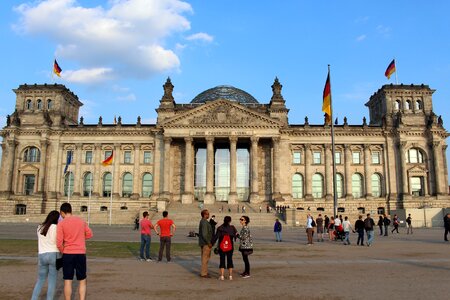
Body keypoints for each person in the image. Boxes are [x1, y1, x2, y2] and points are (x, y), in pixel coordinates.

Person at [57, 202, 93, 300]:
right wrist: (80, 238)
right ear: (71, 211)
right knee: (82, 280)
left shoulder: (61, 223)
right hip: (80, 253)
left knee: (67, 280)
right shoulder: (81, 221)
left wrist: (63, 250)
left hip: (68, 253)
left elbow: (59, 242)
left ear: (62, 212)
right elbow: (90, 234)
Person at [31, 210, 61, 300]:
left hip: (42, 254)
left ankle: (34, 298)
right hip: (53, 254)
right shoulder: (56, 228)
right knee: (52, 281)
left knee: (40, 280)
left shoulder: (39, 227)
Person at [211, 216, 238, 280]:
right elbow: (236, 236)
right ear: (230, 221)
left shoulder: (220, 228)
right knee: (230, 260)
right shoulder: (232, 228)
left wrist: (211, 243)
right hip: (230, 246)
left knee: (222, 260)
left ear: (224, 220)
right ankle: (230, 276)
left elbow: (216, 237)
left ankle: (222, 276)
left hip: (222, 246)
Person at [199, 209, 213, 278]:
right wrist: (208, 242)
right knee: (205, 258)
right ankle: (204, 273)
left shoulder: (204, 221)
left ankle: (204, 272)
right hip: (206, 243)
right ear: (204, 215)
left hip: (203, 242)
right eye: (207, 214)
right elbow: (204, 234)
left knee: (205, 258)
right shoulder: (204, 222)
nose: (208, 215)